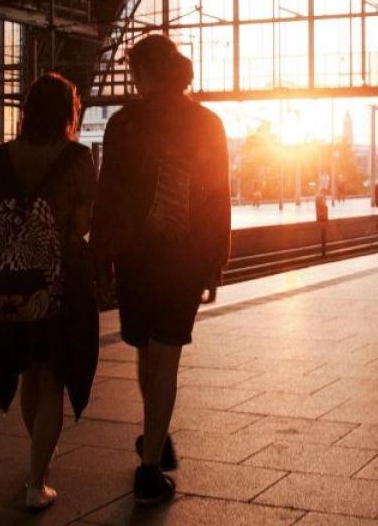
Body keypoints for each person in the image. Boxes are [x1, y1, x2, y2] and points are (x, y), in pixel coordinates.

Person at [92, 34, 231, 505]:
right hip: (184, 256)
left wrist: (103, 257)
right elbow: (218, 196)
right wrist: (216, 260)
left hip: (135, 254)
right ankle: (150, 466)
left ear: (145, 73)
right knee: (166, 354)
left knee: (144, 349)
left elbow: (107, 195)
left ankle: (156, 436)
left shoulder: (124, 123)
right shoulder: (207, 123)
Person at [0, 73, 99, 510]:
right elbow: (84, 224)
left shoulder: (4, 155)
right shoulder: (77, 157)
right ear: (69, 112)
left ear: (28, 109)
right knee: (52, 374)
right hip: (62, 279)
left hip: (14, 280)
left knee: (29, 372)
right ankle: (37, 482)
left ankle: (39, 460)